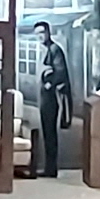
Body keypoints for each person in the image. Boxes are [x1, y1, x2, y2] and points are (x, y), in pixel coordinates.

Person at [32, 21, 74, 179]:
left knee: (50, 132)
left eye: (42, 32)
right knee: (47, 131)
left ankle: (51, 168)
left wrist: (50, 83)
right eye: (37, 34)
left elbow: (60, 72)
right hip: (44, 96)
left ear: (48, 33)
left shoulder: (54, 49)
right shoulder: (44, 49)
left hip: (51, 97)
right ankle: (49, 167)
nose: (40, 36)